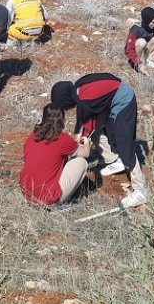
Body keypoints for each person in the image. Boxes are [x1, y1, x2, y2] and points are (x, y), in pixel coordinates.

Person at [51, 74, 148, 209]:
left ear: (66, 99)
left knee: (124, 143)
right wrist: (80, 138)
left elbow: (86, 125)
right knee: (96, 133)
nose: (66, 109)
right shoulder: (78, 92)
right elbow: (83, 121)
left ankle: (141, 189)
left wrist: (77, 147)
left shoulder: (84, 98)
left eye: (64, 106)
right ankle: (114, 160)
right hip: (108, 100)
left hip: (123, 98)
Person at [20, 105, 93, 206]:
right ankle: (58, 204)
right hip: (47, 198)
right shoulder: (62, 138)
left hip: (27, 194)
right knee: (81, 162)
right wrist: (86, 143)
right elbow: (85, 154)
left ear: (43, 118)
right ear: (62, 120)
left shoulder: (31, 137)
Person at [124, 6, 154, 74]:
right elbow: (129, 49)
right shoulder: (136, 29)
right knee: (141, 42)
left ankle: (149, 61)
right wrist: (138, 63)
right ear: (146, 21)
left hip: (146, 51)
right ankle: (139, 64)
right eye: (153, 22)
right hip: (136, 55)